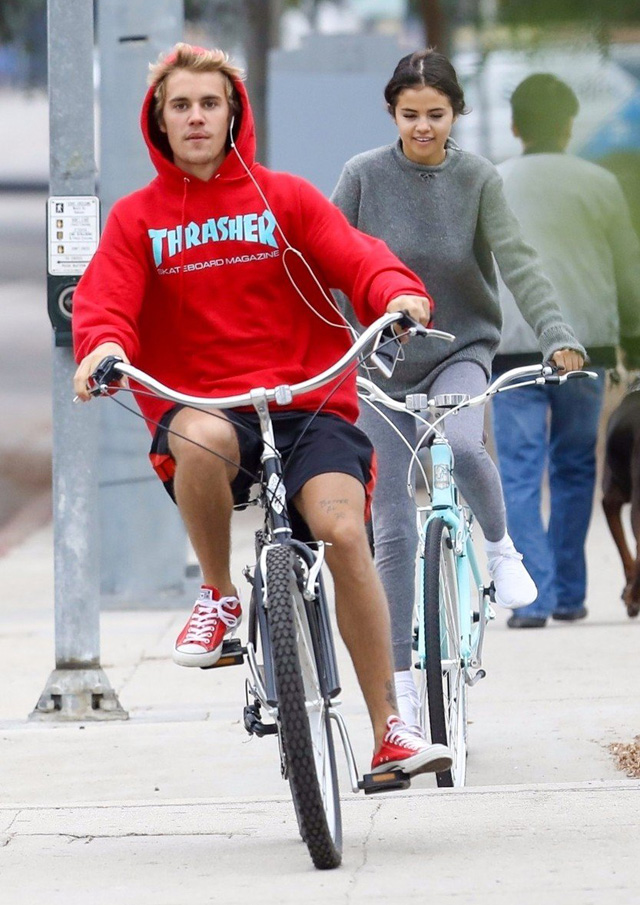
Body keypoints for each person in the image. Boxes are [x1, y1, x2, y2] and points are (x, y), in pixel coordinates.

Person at [72, 43, 454, 777]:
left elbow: (355, 255)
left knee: (345, 530)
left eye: (209, 103)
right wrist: (102, 347)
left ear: (232, 113)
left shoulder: (286, 197)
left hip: (308, 403)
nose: (195, 117)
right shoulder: (136, 218)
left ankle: (391, 730)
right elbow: (107, 301)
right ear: (159, 119)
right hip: (207, 406)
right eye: (180, 105)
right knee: (201, 436)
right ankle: (217, 598)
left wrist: (397, 293)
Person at [331, 50, 585, 731]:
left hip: (459, 348)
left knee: (466, 446)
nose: (423, 127)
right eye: (410, 114)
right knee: (390, 521)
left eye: (436, 115)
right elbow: (325, 260)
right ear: (392, 113)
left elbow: (518, 261)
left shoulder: (477, 178)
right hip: (379, 360)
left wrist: (556, 331)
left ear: (456, 114)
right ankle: (401, 690)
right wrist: (327, 342)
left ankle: (501, 551)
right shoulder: (361, 176)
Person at [492, 73, 640, 629]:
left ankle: (532, 598)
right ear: (570, 125)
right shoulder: (600, 184)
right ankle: (570, 593)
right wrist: (632, 340)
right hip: (587, 344)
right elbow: (627, 270)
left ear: (514, 126)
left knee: (519, 471)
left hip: (513, 347)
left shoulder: (494, 180)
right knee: (576, 465)